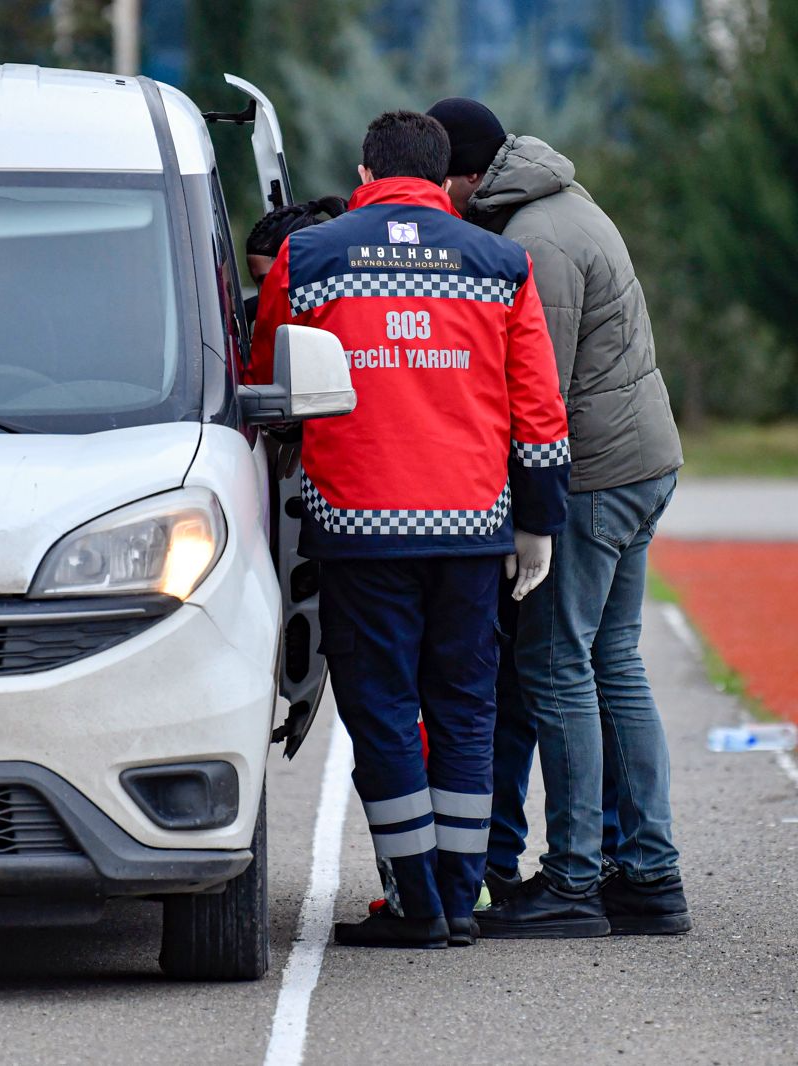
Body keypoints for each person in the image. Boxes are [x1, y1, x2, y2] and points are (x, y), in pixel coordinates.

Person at [251, 111, 570, 948]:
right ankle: (462, 899)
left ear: (364, 170)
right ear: (442, 177)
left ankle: (418, 901)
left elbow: (265, 380)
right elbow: (539, 409)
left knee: (383, 708)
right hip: (472, 528)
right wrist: (539, 519)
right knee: (466, 705)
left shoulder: (312, 256)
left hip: (358, 528)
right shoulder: (502, 263)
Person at [428, 97, 690, 937]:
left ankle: (575, 880)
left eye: (443, 184)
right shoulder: (560, 202)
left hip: (596, 478)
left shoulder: (535, 239)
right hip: (644, 461)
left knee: (555, 667)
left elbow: (539, 394)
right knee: (614, 661)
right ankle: (647, 873)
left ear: (468, 175)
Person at [243, 196, 348, 322]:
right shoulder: (249, 315)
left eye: (269, 282)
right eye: (258, 285)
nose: (261, 296)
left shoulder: (346, 314)